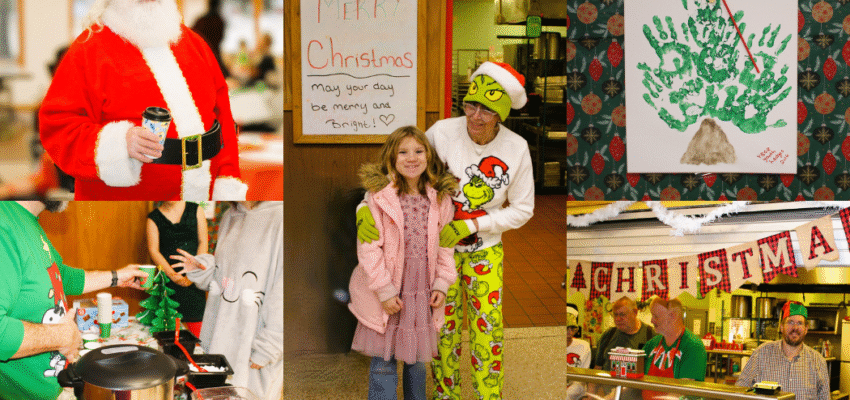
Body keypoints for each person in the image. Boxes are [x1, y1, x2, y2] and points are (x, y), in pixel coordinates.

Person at [358, 61, 535, 400]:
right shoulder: (441, 132)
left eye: (486, 110)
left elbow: (524, 209)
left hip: (485, 252)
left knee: (488, 329)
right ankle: (445, 395)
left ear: (501, 114)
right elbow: (407, 171)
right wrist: (363, 208)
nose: (476, 117)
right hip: (435, 253)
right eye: (471, 105)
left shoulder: (516, 148)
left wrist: (472, 224)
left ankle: (488, 395)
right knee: (443, 329)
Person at [39, 0, 247, 200]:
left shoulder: (195, 44)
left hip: (205, 196)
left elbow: (224, 121)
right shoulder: (88, 49)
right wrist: (118, 144)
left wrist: (228, 178)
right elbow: (58, 127)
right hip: (124, 205)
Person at [347, 125, 457, 400]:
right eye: (403, 152)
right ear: (391, 159)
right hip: (388, 289)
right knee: (383, 362)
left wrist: (442, 283)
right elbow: (369, 249)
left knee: (416, 362)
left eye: (419, 151)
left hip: (421, 290)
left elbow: (446, 247)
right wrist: (384, 290)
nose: (412, 158)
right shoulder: (378, 198)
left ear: (429, 156)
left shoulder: (440, 199)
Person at [0, 201, 148, 400]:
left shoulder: (27, 220)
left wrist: (117, 277)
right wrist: (60, 336)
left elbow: (62, 276)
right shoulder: (4, 222)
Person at [170, 201, 282, 400]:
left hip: (253, 344)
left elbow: (285, 290)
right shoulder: (231, 215)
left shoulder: (281, 218)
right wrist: (200, 269)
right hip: (219, 337)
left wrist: (268, 347)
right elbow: (223, 280)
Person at [736, 302, 829, 400]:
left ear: (806, 329)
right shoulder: (761, 353)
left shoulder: (818, 361)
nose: (795, 328)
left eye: (800, 323)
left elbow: (825, 397)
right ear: (781, 327)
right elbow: (740, 390)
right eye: (790, 322)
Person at [146, 201, 209, 338]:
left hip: (195, 282)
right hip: (168, 282)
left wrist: (194, 274)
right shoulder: (153, 217)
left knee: (197, 331)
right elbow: (153, 250)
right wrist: (172, 275)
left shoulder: (196, 209)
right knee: (169, 332)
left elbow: (203, 241)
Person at [642, 297, 706, 399]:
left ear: (673, 316)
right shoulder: (652, 344)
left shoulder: (693, 346)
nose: (652, 320)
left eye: (656, 316)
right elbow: (636, 379)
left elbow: (684, 390)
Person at [593, 296, 656, 371]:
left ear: (635, 312)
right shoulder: (609, 334)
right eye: (615, 315)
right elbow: (597, 368)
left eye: (622, 314)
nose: (617, 319)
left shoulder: (651, 335)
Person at [191, 0, 229, 78]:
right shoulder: (219, 21)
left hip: (204, 57)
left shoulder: (201, 20)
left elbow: (192, 35)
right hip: (212, 57)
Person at [566, 304, 591, 400]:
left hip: (576, 389)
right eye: (566, 329)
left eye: (572, 329)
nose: (570, 333)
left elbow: (582, 379)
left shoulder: (583, 346)